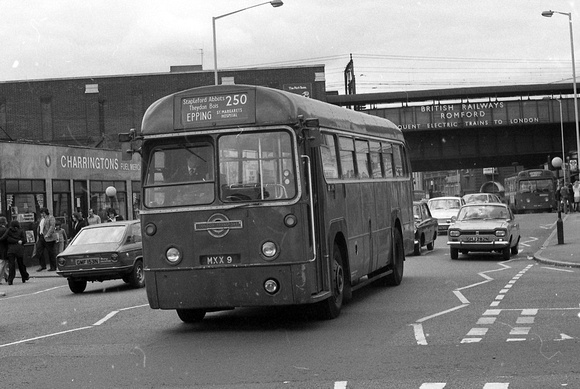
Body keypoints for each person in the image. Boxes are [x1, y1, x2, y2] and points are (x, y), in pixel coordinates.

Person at [0, 220, 29, 285]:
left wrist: (12, 240)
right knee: (21, 264)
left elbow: (4, 238)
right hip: (19, 249)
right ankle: (24, 276)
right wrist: (19, 241)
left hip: (11, 250)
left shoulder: (9, 230)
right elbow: (25, 240)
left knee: (11, 265)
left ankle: (10, 279)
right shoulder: (21, 230)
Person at [34, 207, 58, 272]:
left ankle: (53, 266)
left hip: (49, 237)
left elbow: (52, 226)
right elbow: (40, 227)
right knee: (39, 250)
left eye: (43, 213)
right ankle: (42, 265)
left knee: (51, 252)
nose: (42, 214)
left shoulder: (51, 217)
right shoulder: (42, 219)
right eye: (41, 213)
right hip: (41, 236)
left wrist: (48, 234)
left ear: (45, 213)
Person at [0, 216, 9, 284]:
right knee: (3, 264)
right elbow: (7, 240)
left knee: (4, 264)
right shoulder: (5, 230)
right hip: (3, 248)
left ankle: (7, 277)